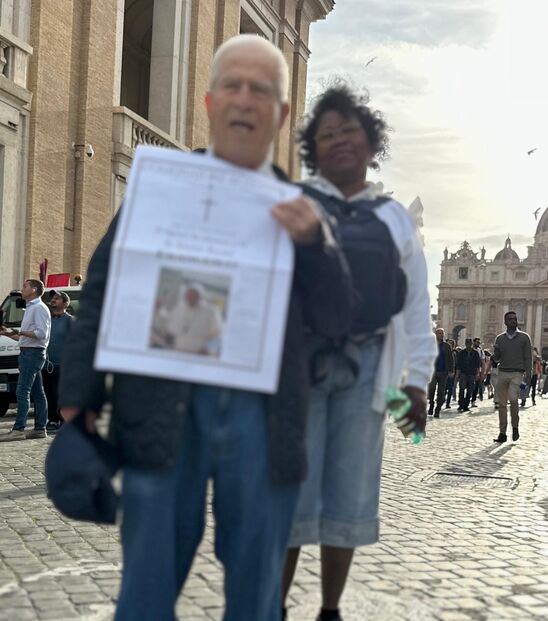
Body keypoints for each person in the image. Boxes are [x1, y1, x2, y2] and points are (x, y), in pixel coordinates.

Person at [57, 35, 354, 620]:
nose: (245, 100)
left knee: (257, 593)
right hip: (160, 405)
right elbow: (103, 285)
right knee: (146, 585)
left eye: (261, 90)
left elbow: (342, 316)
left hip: (265, 418)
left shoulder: (304, 210)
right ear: (210, 102)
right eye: (233, 86)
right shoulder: (158, 186)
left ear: (282, 114)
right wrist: (78, 398)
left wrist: (316, 246)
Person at [281, 85, 433, 621]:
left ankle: (329, 609)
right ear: (312, 147)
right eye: (327, 134)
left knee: (348, 485)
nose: (340, 141)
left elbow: (415, 307)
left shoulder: (394, 219)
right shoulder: (292, 203)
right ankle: (271, 606)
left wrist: (415, 382)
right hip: (296, 366)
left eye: (351, 132)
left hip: (370, 367)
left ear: (371, 143)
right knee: (290, 486)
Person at [0, 279, 51, 441]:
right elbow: (24, 338)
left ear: (34, 290)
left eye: (25, 286)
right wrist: (8, 333)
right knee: (38, 392)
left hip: (32, 355)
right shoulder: (30, 308)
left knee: (22, 391)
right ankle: (39, 428)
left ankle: (19, 429)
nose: (22, 289)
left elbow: (41, 334)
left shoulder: (39, 308)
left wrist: (20, 332)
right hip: (27, 353)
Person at [493, 311, 532, 443]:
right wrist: (496, 354)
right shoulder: (500, 338)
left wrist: (529, 374)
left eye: (515, 319)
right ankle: (502, 432)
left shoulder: (524, 337)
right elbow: (496, 359)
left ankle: (515, 427)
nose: (513, 321)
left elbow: (528, 357)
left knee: (514, 399)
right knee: (502, 404)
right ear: (505, 322)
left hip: (517, 373)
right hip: (503, 372)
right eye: (510, 319)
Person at [151, 283, 223, 355]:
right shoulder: (179, 308)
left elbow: (218, 334)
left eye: (194, 295)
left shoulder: (211, 311)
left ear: (200, 297)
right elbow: (165, 324)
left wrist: (209, 348)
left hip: (198, 354)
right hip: (176, 351)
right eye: (188, 295)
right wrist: (159, 309)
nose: (190, 297)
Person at [42, 290, 75, 433]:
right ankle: (52, 419)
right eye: (53, 298)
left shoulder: (70, 320)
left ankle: (63, 420)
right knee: (48, 393)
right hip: (46, 364)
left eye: (57, 298)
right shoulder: (47, 319)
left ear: (66, 304)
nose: (53, 300)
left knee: (60, 393)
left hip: (63, 364)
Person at [427, 328, 454, 418]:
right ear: (435, 334)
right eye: (439, 333)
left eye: (442, 333)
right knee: (431, 389)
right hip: (432, 372)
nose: (441, 335)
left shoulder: (447, 346)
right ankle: (431, 404)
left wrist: (451, 370)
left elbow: (451, 359)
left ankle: (437, 409)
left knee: (441, 392)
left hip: (443, 372)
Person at [455, 337, 482, 412]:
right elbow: (458, 365)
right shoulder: (461, 353)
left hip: (472, 374)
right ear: (465, 344)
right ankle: (461, 404)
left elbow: (478, 365)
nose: (468, 345)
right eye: (467, 343)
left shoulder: (475, 353)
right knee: (462, 389)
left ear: (471, 344)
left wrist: (477, 374)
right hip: (463, 373)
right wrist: (457, 375)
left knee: (470, 390)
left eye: (469, 343)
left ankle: (466, 405)